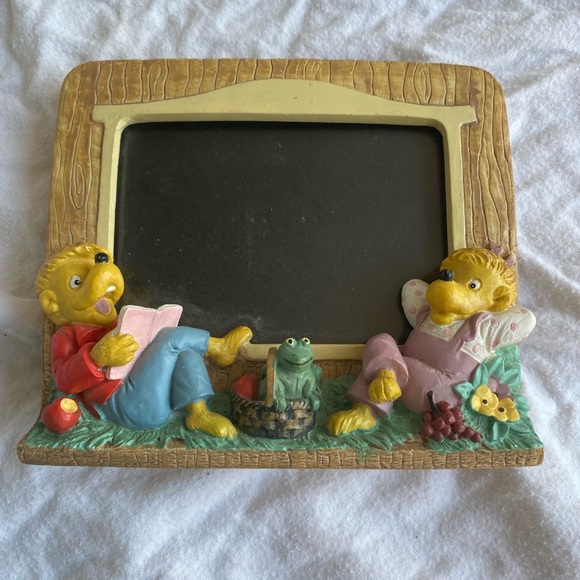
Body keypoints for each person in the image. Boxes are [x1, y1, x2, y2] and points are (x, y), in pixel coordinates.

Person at [36, 243, 252, 437]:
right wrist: (95, 358)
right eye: (77, 282)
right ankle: (220, 348)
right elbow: (64, 382)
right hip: (127, 406)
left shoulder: (120, 324)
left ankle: (198, 413)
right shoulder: (66, 336)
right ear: (52, 303)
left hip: (156, 396)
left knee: (185, 352)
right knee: (170, 337)